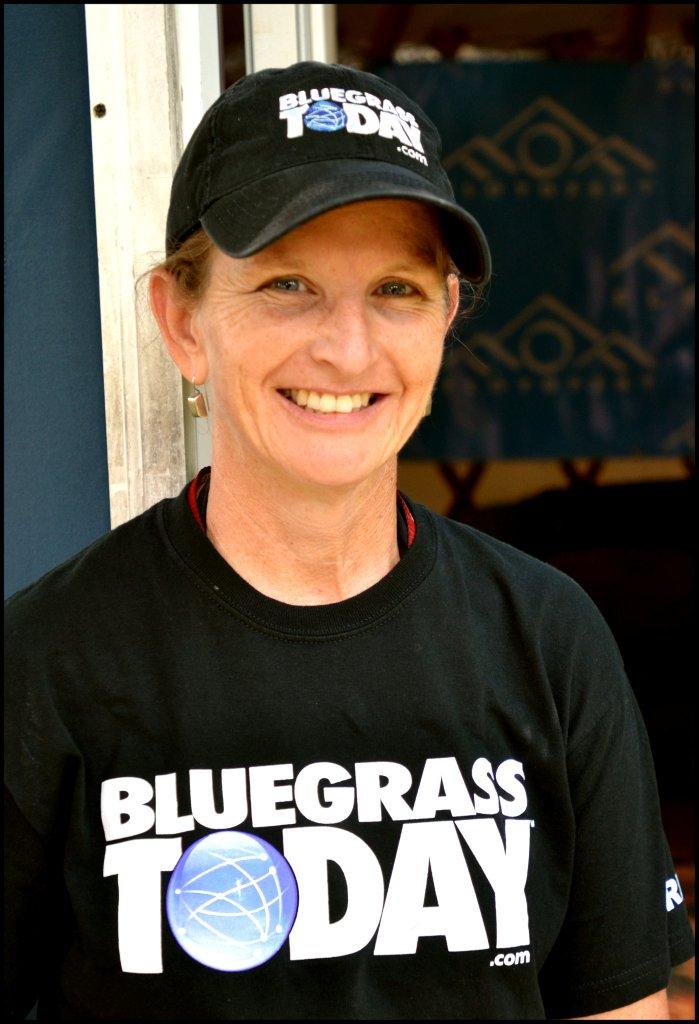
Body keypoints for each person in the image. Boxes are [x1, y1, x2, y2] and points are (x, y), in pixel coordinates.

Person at [4, 60, 693, 1021]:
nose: (348, 348)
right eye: (287, 283)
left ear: (446, 316)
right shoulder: (50, 660)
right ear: (182, 321)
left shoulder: (545, 636)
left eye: (396, 289)